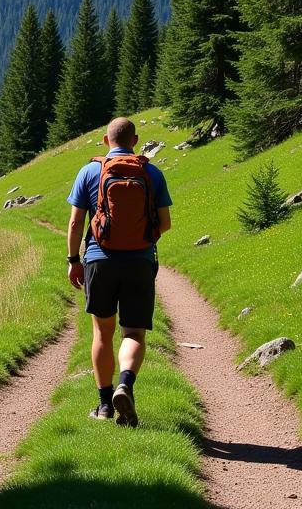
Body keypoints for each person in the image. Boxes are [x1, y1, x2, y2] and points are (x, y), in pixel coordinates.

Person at [66, 116, 172, 426]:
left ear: (105, 140)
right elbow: (165, 223)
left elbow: (75, 223)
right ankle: (125, 383)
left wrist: (74, 261)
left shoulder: (89, 172)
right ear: (135, 141)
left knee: (102, 331)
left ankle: (103, 406)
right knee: (134, 332)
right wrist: (142, 244)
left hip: (99, 261)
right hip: (139, 262)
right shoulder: (151, 173)